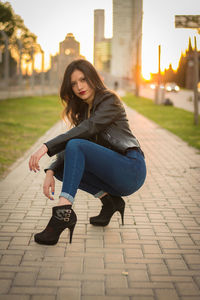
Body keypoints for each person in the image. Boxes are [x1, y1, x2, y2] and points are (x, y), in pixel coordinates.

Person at [29, 59, 146, 246]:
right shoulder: (84, 112)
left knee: (76, 144)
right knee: (63, 167)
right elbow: (73, 146)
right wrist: (51, 170)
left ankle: (62, 212)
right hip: (113, 176)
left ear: (93, 78)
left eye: (83, 79)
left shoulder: (110, 100)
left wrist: (46, 147)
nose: (79, 87)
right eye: (74, 83)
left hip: (131, 168)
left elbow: (87, 130)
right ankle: (110, 202)